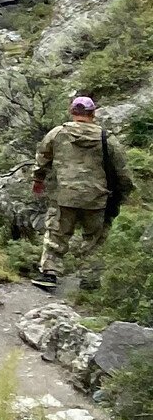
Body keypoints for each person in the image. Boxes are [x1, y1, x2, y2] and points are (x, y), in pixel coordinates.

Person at [33, 95, 132, 288]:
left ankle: (50, 274)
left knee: (56, 234)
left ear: (72, 112)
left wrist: (38, 180)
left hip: (65, 195)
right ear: (93, 114)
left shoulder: (57, 133)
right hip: (96, 198)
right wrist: (123, 193)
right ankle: (90, 280)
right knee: (93, 239)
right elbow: (122, 170)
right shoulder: (106, 138)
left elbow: (42, 158)